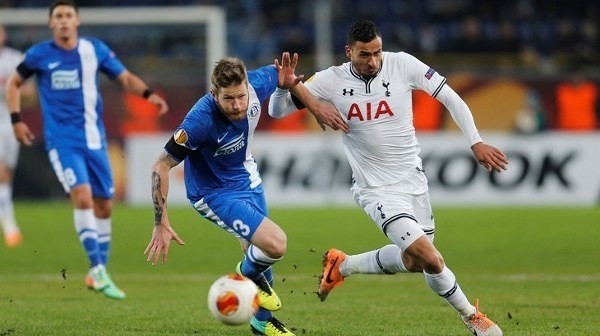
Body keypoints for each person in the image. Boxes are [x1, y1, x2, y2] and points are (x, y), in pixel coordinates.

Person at [269, 19, 509, 336]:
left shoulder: (402, 64)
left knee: (414, 262)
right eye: (364, 55)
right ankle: (474, 319)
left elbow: (450, 97)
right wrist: (282, 88)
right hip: (376, 190)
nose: (373, 61)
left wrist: (475, 140)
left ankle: (343, 265)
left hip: (413, 182)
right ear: (349, 52)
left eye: (377, 53)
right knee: (432, 260)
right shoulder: (331, 79)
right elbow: (277, 111)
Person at [144, 54, 344, 336]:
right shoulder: (198, 121)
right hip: (212, 193)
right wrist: (160, 222)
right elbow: (161, 165)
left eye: (241, 97)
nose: (238, 105)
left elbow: (285, 79)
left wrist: (315, 107)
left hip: (246, 177)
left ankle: (262, 322)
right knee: (275, 244)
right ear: (214, 95)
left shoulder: (256, 84)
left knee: (258, 248)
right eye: (229, 99)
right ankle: (244, 275)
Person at [5, 0, 168, 300]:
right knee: (82, 195)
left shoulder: (95, 50)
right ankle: (98, 270)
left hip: (95, 140)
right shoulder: (40, 54)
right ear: (51, 23)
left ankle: (99, 272)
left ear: (77, 21)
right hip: (62, 142)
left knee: (104, 204)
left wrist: (149, 95)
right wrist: (16, 120)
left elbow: (124, 78)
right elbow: (13, 83)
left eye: (69, 15)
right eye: (58, 16)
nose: (64, 20)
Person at [0, 24, 35, 248]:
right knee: (1, 173)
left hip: (9, 123)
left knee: (7, 175)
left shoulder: (14, 60)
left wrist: (11, 91)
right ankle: (10, 226)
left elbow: (31, 96)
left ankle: (7, 219)